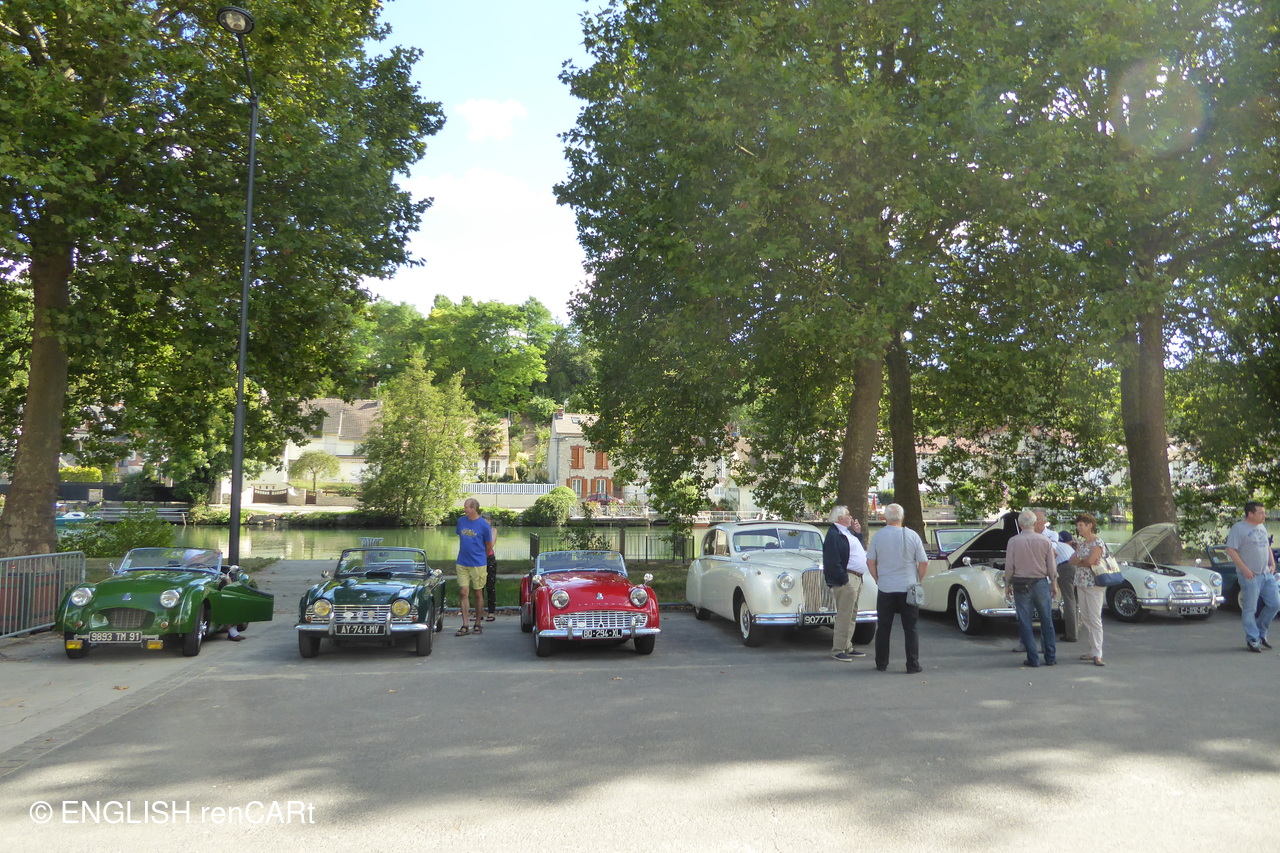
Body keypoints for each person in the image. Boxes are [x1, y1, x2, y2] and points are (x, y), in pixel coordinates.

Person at [866, 503, 928, 674]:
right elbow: (923, 562)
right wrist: (918, 580)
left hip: (886, 587)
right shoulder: (912, 535)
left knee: (883, 627)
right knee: (911, 628)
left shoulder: (878, 536)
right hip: (908, 586)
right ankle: (912, 664)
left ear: (885, 518)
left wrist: (877, 579)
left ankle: (881, 663)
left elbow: (870, 561)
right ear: (902, 517)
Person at [1005, 509, 1058, 667]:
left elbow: (1009, 566)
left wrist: (1007, 584)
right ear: (1035, 523)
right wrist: (1054, 583)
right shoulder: (1045, 541)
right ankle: (1050, 656)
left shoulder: (1013, 541)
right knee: (1046, 620)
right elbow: (1051, 566)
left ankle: (1033, 658)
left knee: (1025, 622)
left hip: (1021, 583)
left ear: (1020, 524)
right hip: (1041, 583)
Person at [1225, 500, 1279, 653]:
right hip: (1250, 576)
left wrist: (1272, 563)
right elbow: (1231, 550)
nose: (1264, 515)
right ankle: (1253, 639)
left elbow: (1267, 546)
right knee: (1250, 608)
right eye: (1261, 513)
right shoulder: (1239, 529)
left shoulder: (1261, 527)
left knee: (1275, 603)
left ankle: (1261, 633)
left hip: (1266, 574)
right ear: (1250, 514)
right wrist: (1245, 569)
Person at [822, 505, 868, 662]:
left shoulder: (846, 533)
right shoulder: (834, 535)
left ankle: (847, 645)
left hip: (856, 577)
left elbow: (855, 550)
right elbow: (832, 560)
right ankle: (838, 649)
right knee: (844, 615)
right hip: (847, 578)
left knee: (852, 614)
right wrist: (844, 579)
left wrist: (858, 533)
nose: (851, 517)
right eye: (848, 514)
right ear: (840, 518)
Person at [1068, 513, 1107, 666]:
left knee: (1095, 617)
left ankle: (1098, 653)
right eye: (1077, 525)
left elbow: (1091, 560)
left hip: (1094, 583)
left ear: (1089, 525)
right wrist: (1083, 561)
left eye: (1081, 525)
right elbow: (1071, 560)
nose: (1078, 528)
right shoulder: (1083, 544)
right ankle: (1092, 649)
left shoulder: (1097, 542)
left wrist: (1082, 561)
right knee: (1085, 617)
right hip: (1081, 583)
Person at [455, 498, 495, 636]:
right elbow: (460, 537)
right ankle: (465, 625)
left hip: (478, 563)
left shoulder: (483, 525)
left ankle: (477, 623)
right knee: (463, 592)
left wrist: (481, 557)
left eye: (466, 507)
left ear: (474, 508)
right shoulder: (461, 521)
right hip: (462, 562)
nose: (464, 509)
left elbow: (489, 545)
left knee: (478, 593)